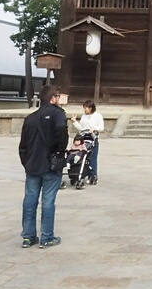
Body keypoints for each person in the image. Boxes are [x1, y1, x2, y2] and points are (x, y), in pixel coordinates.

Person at [19, 84, 68, 248]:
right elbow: (62, 134)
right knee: (48, 201)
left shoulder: (30, 118)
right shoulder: (58, 114)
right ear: (53, 98)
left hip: (32, 164)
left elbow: (23, 145)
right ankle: (46, 237)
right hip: (50, 164)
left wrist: (26, 162)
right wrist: (60, 154)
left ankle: (28, 236)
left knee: (30, 200)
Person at [71, 99, 104, 181]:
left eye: (86, 108)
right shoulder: (83, 116)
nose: (84, 110)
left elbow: (101, 128)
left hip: (92, 138)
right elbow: (81, 128)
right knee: (82, 155)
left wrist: (94, 128)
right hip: (84, 138)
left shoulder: (98, 116)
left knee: (92, 157)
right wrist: (75, 122)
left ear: (91, 108)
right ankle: (80, 173)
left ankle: (93, 175)